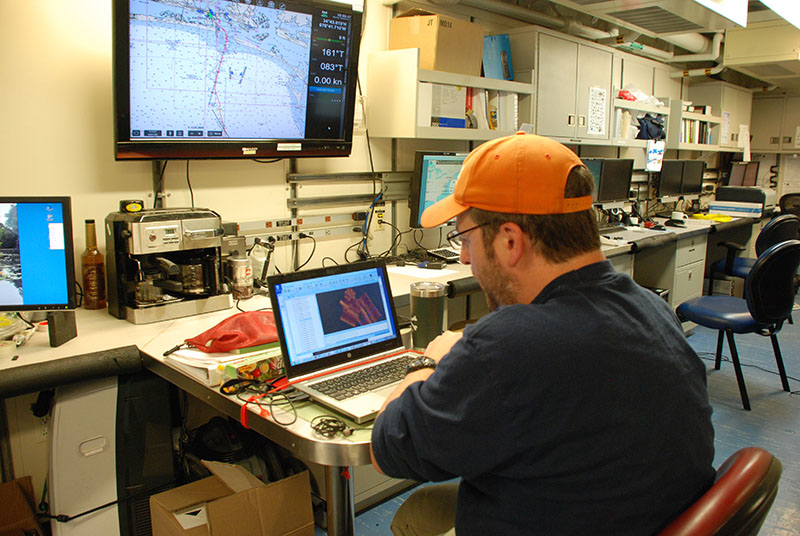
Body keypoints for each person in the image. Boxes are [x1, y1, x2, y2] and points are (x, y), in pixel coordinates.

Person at [370, 133, 715, 535]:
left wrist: (428, 364)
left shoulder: (510, 345)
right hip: (644, 517)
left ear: (511, 241)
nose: (465, 257)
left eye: (465, 238)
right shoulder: (651, 308)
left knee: (418, 514)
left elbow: (388, 448)